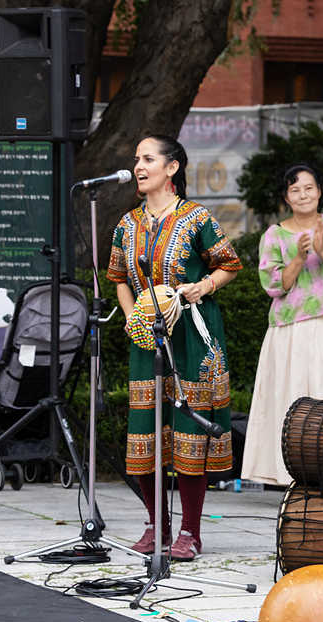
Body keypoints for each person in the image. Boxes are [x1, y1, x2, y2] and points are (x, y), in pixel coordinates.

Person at [108, 134, 242, 561]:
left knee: (188, 429)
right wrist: (133, 318)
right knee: (146, 431)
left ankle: (190, 531)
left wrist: (201, 287)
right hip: (147, 336)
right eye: (136, 159)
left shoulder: (197, 217)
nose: (138, 166)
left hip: (192, 335)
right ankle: (156, 525)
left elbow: (230, 264)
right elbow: (119, 279)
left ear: (172, 167)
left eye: (148, 158)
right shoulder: (127, 225)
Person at [241, 164, 323, 486]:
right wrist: (298, 257)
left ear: (319, 191)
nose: (303, 195)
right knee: (289, 396)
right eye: (295, 190)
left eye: (309, 188)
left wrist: (322, 251)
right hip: (288, 329)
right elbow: (273, 286)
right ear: (286, 197)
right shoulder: (275, 234)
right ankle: (286, 475)